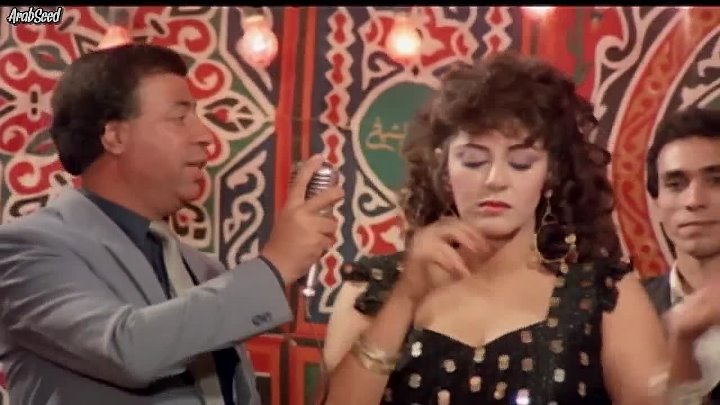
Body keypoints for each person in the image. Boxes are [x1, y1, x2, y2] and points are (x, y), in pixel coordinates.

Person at [0, 43, 343, 405]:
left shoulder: (202, 269)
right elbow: (126, 349)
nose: (206, 136)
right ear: (114, 136)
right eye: (180, 118)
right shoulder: (23, 248)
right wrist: (275, 266)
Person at [322, 51, 671, 405]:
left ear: (550, 174)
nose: (494, 180)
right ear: (444, 170)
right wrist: (405, 298)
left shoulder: (601, 295)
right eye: (473, 160)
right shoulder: (373, 288)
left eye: (520, 163)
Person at [643, 107, 720, 404]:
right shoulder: (627, 312)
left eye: (716, 180)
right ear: (656, 203)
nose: (694, 200)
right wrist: (682, 342)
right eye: (676, 184)